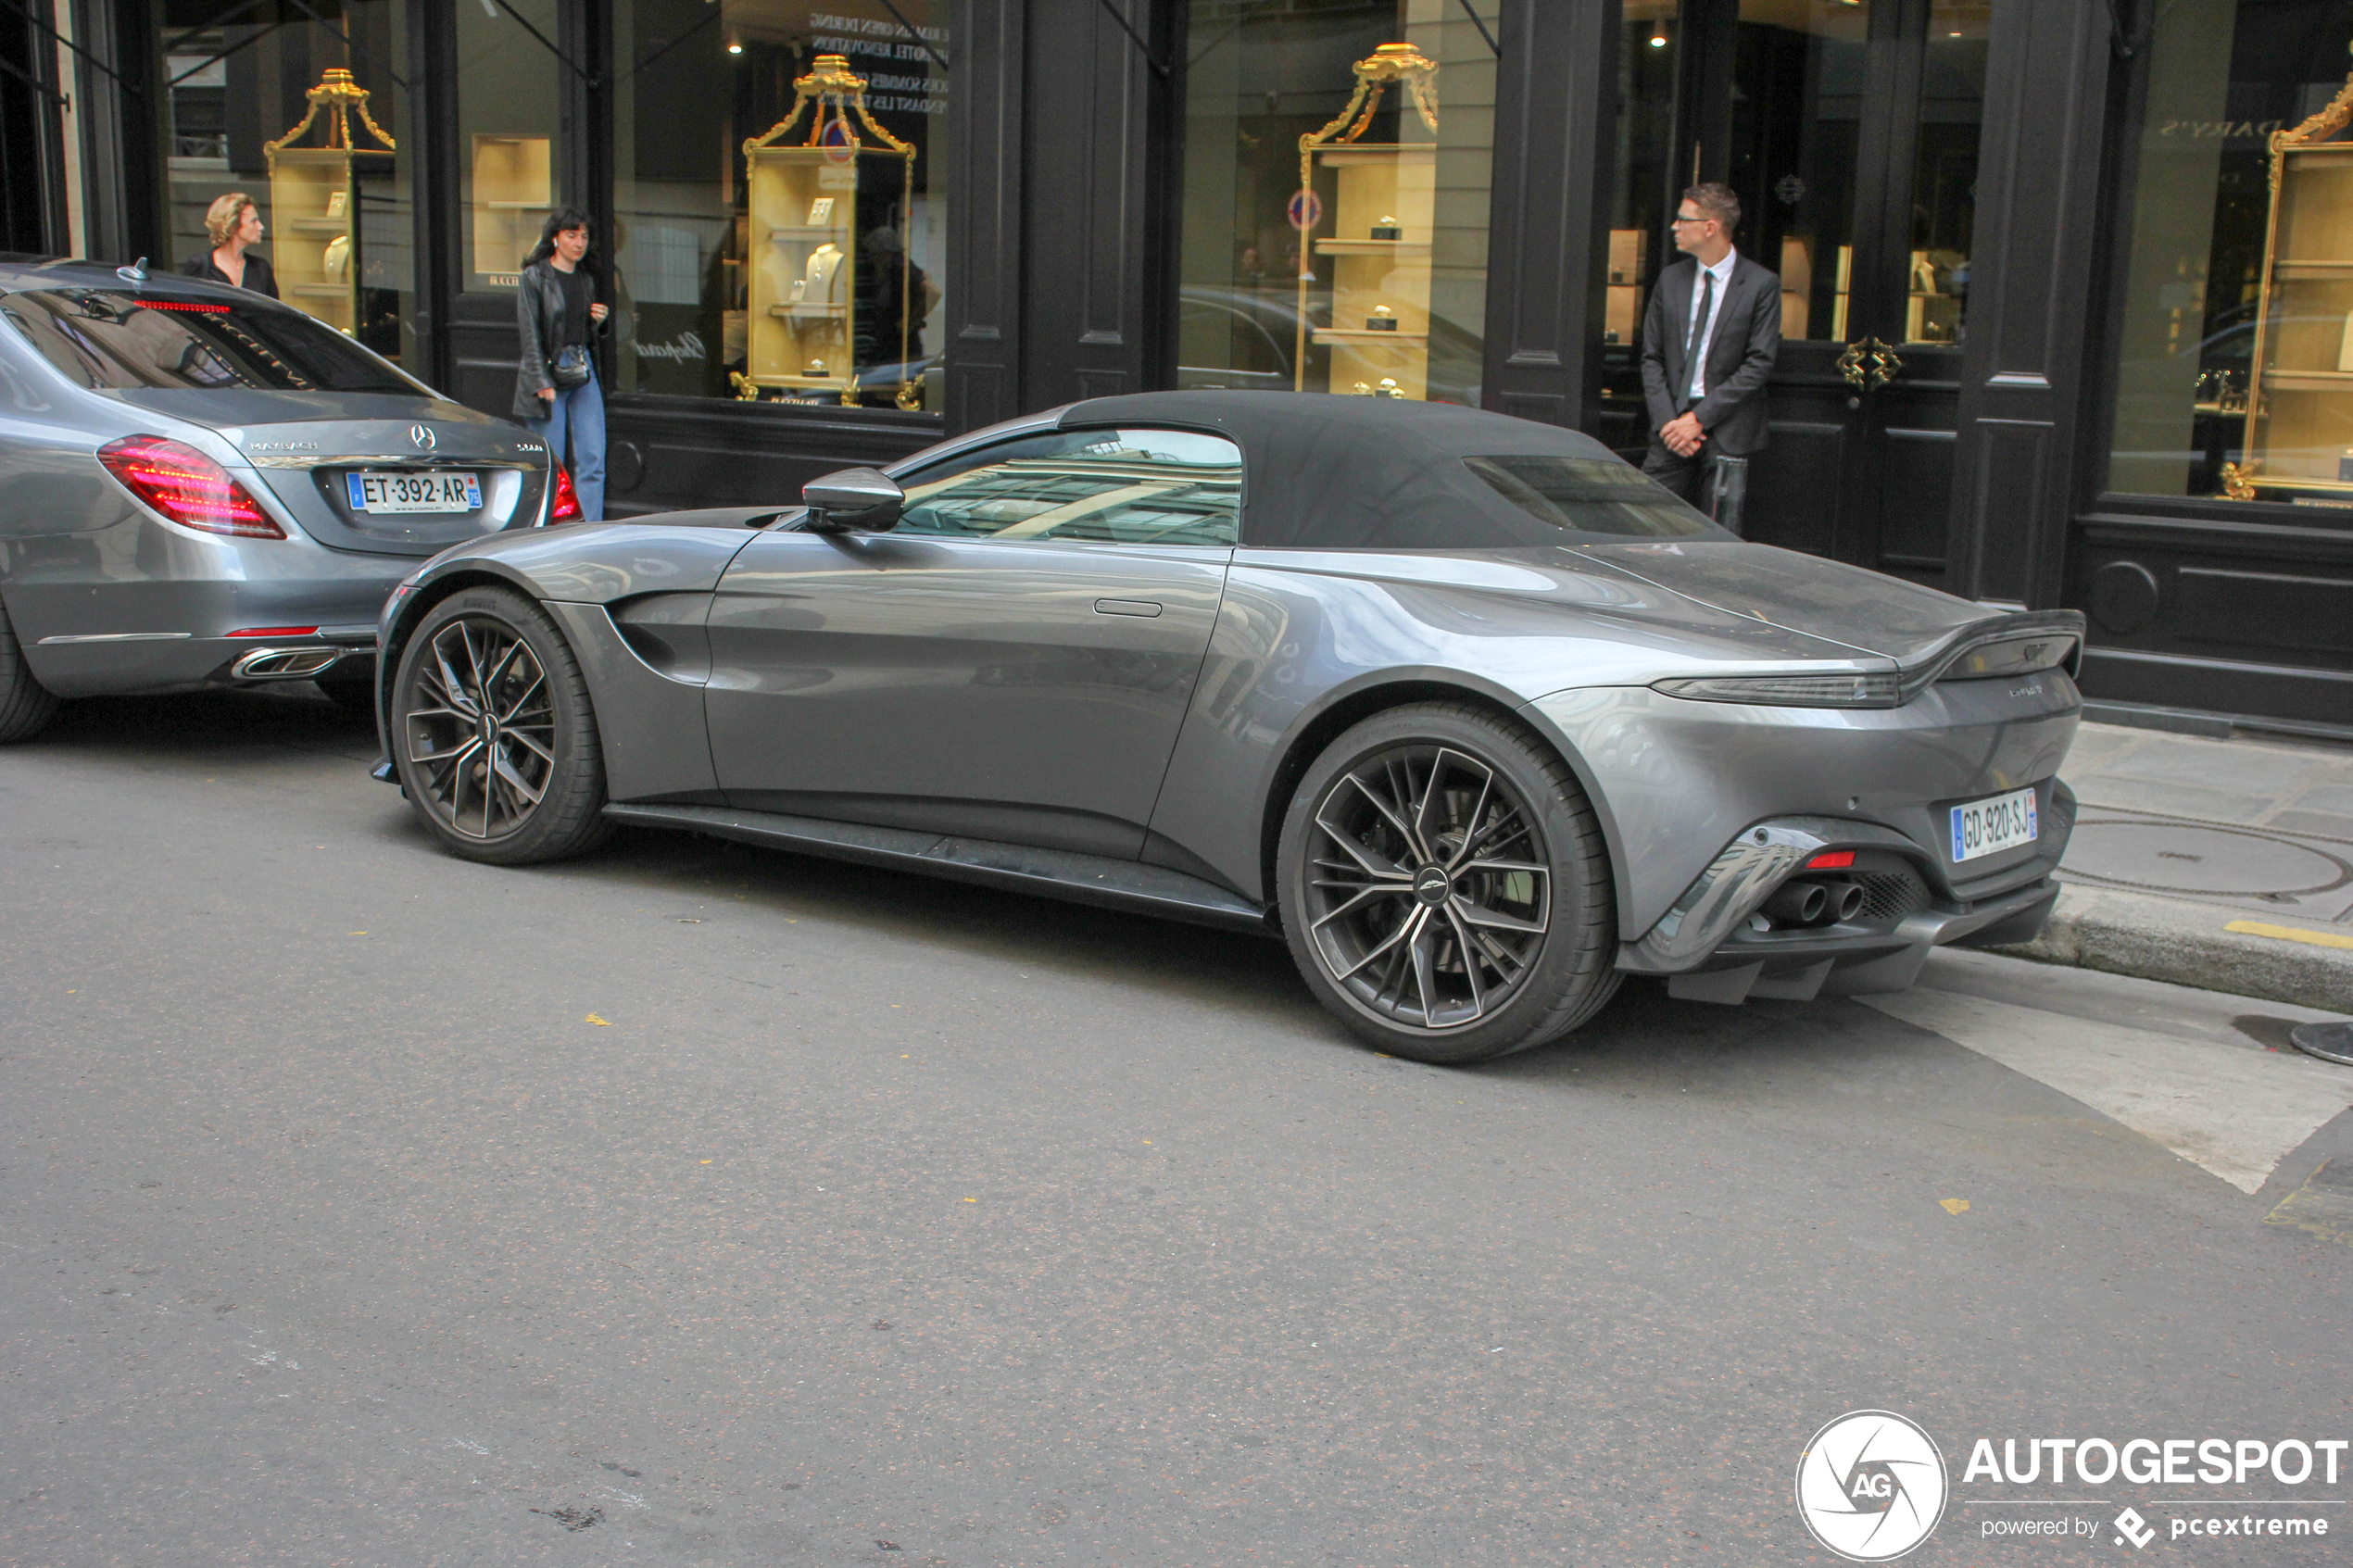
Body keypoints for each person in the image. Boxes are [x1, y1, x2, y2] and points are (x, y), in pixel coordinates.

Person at [1639, 182, 1780, 519]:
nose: (1675, 227)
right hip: (1671, 427)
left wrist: (1699, 420)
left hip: (1728, 430)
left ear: (1710, 227)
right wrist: (1669, 424)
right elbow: (1651, 357)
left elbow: (1758, 364)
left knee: (1720, 535)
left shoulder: (1761, 285)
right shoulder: (1671, 280)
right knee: (1645, 522)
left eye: (1682, 219)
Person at [512, 207, 611, 521]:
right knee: (550, 459)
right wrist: (541, 380)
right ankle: (548, 527)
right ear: (555, 238)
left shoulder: (585, 278)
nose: (579, 243)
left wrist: (600, 322)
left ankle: (589, 528)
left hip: (582, 366)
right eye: (571, 236)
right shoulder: (534, 277)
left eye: (583, 236)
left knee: (593, 457)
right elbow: (530, 333)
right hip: (549, 368)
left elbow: (585, 331)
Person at [179, 193, 278, 298]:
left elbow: (274, 311)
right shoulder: (201, 266)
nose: (261, 227)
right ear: (233, 225)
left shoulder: (260, 267)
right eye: (253, 221)